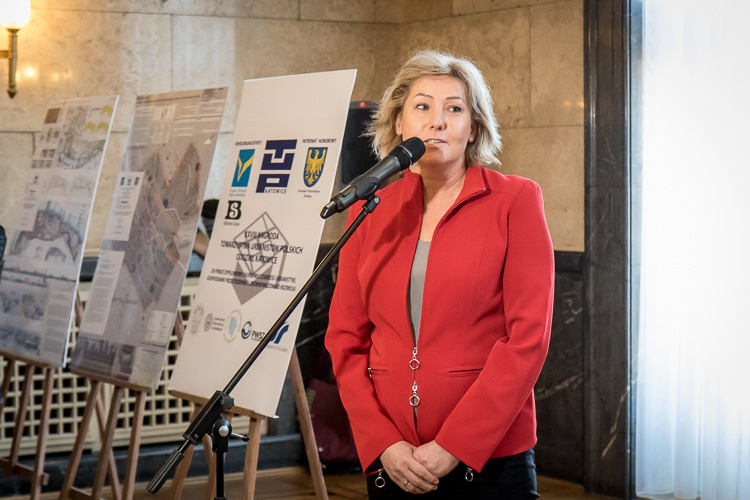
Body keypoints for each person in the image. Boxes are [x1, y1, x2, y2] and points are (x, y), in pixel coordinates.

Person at [324, 49, 555, 499]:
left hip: (490, 460)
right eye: (422, 106)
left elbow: (528, 338)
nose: (438, 122)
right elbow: (345, 339)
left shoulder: (515, 201)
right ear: (399, 123)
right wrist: (383, 442)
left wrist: (454, 445)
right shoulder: (369, 210)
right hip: (394, 459)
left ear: (474, 128)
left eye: (454, 109)